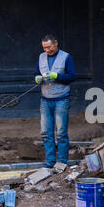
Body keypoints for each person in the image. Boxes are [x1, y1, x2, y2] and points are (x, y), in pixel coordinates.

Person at [34, 34, 76, 168]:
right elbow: (36, 72)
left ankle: (62, 162)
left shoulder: (66, 57)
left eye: (49, 47)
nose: (47, 50)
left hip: (61, 99)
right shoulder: (41, 57)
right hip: (45, 100)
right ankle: (50, 162)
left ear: (56, 43)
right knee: (46, 132)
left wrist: (56, 76)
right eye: (44, 48)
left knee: (61, 132)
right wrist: (37, 78)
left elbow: (71, 77)